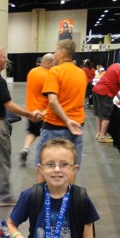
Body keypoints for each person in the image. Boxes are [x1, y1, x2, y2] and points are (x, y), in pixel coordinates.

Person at [0, 46, 38, 206]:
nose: (7, 60)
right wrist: (29, 115)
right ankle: (5, 196)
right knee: (1, 160)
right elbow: (9, 105)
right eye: (4, 57)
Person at [34, 39, 87, 185]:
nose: (54, 54)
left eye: (56, 51)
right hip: (77, 127)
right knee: (70, 167)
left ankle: (40, 200)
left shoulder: (55, 71)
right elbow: (70, 100)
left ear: (63, 53)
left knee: (43, 165)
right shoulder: (81, 73)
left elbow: (53, 100)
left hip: (55, 127)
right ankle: (68, 201)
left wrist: (66, 120)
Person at [91, 54, 120, 143]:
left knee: (99, 114)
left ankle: (99, 133)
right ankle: (102, 136)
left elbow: (112, 83)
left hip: (97, 90)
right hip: (104, 92)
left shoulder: (116, 65)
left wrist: (119, 97)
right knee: (106, 115)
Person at [19, 53, 55, 166]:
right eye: (53, 63)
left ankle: (26, 148)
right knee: (47, 137)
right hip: (44, 112)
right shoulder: (50, 75)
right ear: (48, 63)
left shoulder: (32, 72)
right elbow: (51, 95)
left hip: (31, 110)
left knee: (32, 132)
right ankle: (44, 160)